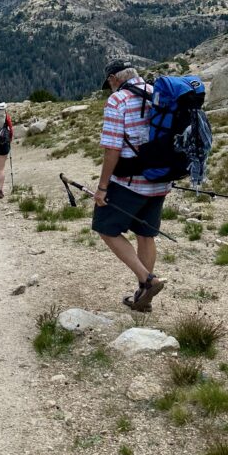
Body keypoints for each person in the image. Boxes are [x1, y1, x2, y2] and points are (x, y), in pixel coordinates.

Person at [92, 59, 170, 311]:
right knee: (145, 234)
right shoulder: (156, 92)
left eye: (110, 82)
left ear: (115, 78)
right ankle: (142, 297)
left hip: (130, 181)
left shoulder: (118, 100)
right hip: (160, 178)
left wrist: (103, 187)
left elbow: (112, 149)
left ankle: (148, 280)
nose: (110, 87)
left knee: (106, 227)